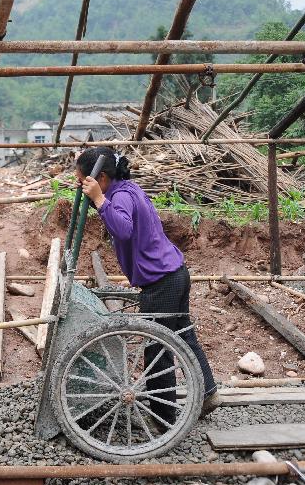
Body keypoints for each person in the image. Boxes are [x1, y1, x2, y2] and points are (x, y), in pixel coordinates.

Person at [76, 147, 219, 421]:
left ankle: (165, 419)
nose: (81, 186)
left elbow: (123, 229)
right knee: (182, 335)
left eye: (83, 180)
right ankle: (208, 393)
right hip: (174, 272)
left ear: (101, 178)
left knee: (157, 350)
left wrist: (98, 200)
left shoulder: (118, 197)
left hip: (161, 282)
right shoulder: (128, 189)